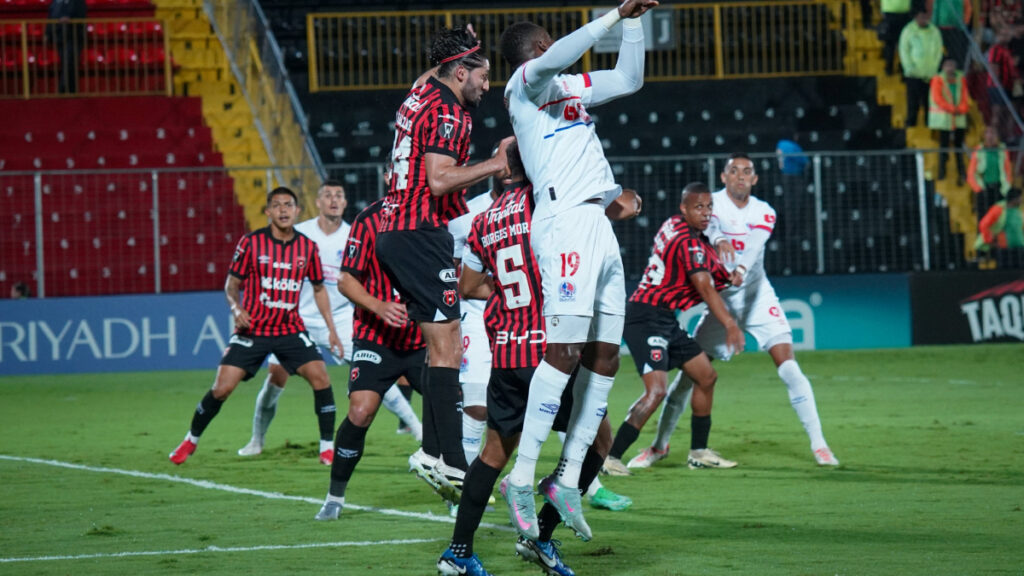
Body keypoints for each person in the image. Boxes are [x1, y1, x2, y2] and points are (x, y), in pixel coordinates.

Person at [497, 0, 658, 543]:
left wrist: (634, 23)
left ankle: (566, 480)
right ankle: (520, 478)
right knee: (563, 351)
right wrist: (613, 15)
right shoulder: (524, 86)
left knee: (606, 355)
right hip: (563, 222)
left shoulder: (571, 90)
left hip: (598, 223)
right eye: (548, 44)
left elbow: (631, 78)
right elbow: (561, 55)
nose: (555, 50)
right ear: (538, 51)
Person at [437, 143, 638, 576]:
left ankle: (457, 552)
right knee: (598, 441)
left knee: (493, 454)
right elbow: (621, 208)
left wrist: (512, 297)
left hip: (507, 351)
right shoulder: (552, 203)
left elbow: (469, 285)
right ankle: (542, 539)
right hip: (552, 354)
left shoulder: (483, 219)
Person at [630, 154, 841, 470]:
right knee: (691, 377)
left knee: (789, 368)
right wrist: (718, 238)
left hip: (757, 296)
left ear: (755, 179)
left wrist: (740, 266)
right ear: (724, 177)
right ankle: (659, 447)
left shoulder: (764, 211)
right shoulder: (708, 203)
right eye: (733, 171)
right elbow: (710, 229)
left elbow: (756, 243)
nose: (740, 176)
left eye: (747, 172)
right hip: (722, 300)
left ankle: (819, 445)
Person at [376, 26, 514, 496]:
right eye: (483, 74)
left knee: (443, 345)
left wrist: (455, 44)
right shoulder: (449, 110)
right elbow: (438, 180)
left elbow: (428, 74)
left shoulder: (420, 93)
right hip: (418, 233)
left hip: (397, 231)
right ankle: (448, 457)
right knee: (448, 348)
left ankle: (435, 454)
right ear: (460, 71)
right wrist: (497, 163)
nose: (487, 85)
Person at [236, 180, 421, 463]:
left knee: (375, 373)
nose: (334, 200)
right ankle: (256, 440)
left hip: (343, 318)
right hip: (296, 318)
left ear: (345, 203)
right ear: (318, 202)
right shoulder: (301, 233)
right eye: (328, 195)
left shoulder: (353, 233)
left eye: (339, 196)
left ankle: (417, 429)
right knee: (276, 378)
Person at [169, 187, 342, 465]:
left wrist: (331, 329)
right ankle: (190, 440)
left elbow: (320, 288)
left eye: (288, 205)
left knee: (321, 378)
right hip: (254, 330)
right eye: (277, 205)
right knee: (222, 388)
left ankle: (327, 448)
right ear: (268, 212)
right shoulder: (251, 243)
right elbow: (231, 284)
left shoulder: (307, 247)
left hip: (289, 331)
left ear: (297, 211)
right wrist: (236, 308)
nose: (283, 210)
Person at [602, 182, 744, 476]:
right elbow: (705, 287)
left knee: (706, 376)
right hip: (644, 317)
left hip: (665, 318)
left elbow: (709, 267)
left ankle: (699, 452)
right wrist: (730, 324)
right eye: (698, 207)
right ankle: (610, 456)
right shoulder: (688, 242)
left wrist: (728, 274)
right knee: (656, 392)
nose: (705, 213)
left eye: (709, 207)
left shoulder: (678, 227)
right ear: (684, 208)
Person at [314, 194, 432, 520]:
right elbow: (346, 279)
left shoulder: (435, 215)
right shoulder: (369, 219)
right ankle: (335, 496)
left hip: (424, 337)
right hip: (375, 336)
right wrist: (379, 306)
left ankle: (453, 486)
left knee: (450, 407)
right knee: (362, 410)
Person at [447, 186, 499, 465]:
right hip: (476, 315)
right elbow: (449, 271)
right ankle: (462, 481)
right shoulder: (465, 216)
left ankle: (583, 482)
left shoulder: (537, 207)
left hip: (522, 318)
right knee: (477, 404)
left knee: (549, 401)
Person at [899, 9, 944, 127]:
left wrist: (934, 67)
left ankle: (929, 124)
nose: (924, 20)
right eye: (921, 17)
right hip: (913, 74)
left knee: (928, 101)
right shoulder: (909, 30)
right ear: (916, 17)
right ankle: (911, 124)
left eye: (925, 17)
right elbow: (904, 50)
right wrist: (909, 67)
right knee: (913, 102)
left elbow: (938, 50)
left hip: (930, 73)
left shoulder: (934, 31)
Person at [929, 57, 970, 184]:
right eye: (947, 65)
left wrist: (962, 109)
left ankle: (962, 173)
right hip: (944, 119)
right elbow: (937, 98)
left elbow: (965, 96)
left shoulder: (961, 79)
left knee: (959, 146)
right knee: (944, 146)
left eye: (952, 65)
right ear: (943, 67)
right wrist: (953, 109)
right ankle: (942, 173)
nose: (950, 68)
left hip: (958, 119)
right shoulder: (937, 80)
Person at [968, 125, 1014, 216]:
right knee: (983, 217)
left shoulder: (1002, 149)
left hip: (1000, 189)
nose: (990, 136)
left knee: (999, 217)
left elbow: (1007, 170)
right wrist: (978, 189)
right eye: (988, 133)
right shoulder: (979, 150)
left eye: (993, 133)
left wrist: (1007, 186)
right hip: (984, 189)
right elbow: (971, 173)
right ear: (984, 136)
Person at [48, 0, 86, 94]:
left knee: (69, 62)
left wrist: (70, 18)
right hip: (60, 36)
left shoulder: (78, 2)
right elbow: (51, 16)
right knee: (66, 62)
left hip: (74, 36)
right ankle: (69, 89)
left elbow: (82, 14)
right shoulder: (56, 2)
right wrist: (48, 33)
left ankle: (65, 89)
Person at [975, 187, 1024, 255]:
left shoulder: (1018, 211)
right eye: (1020, 198)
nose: (1021, 200)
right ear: (1014, 199)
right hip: (1005, 249)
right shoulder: (998, 209)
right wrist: (990, 240)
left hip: (1020, 248)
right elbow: (983, 224)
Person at [880, 0, 913, 76]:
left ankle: (890, 67)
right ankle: (901, 67)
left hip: (890, 10)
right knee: (902, 42)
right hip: (903, 10)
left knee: (891, 43)